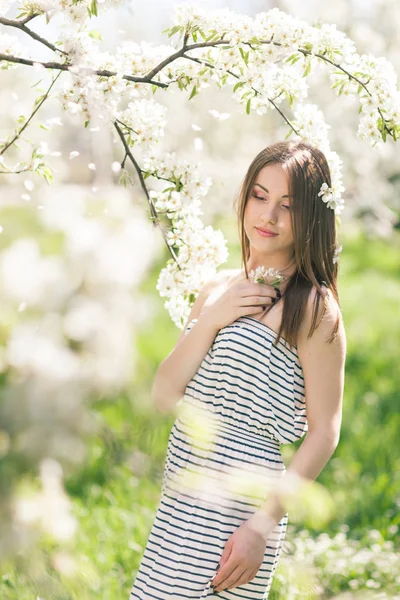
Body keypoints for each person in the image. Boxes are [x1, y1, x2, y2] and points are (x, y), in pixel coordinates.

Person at [130, 140, 346, 599]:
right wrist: (212, 317)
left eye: (288, 206)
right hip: (184, 485)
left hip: (243, 504)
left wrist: (262, 525)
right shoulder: (214, 288)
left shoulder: (313, 306)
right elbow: (164, 395)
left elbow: (325, 431)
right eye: (259, 196)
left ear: (312, 217)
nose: (268, 217)